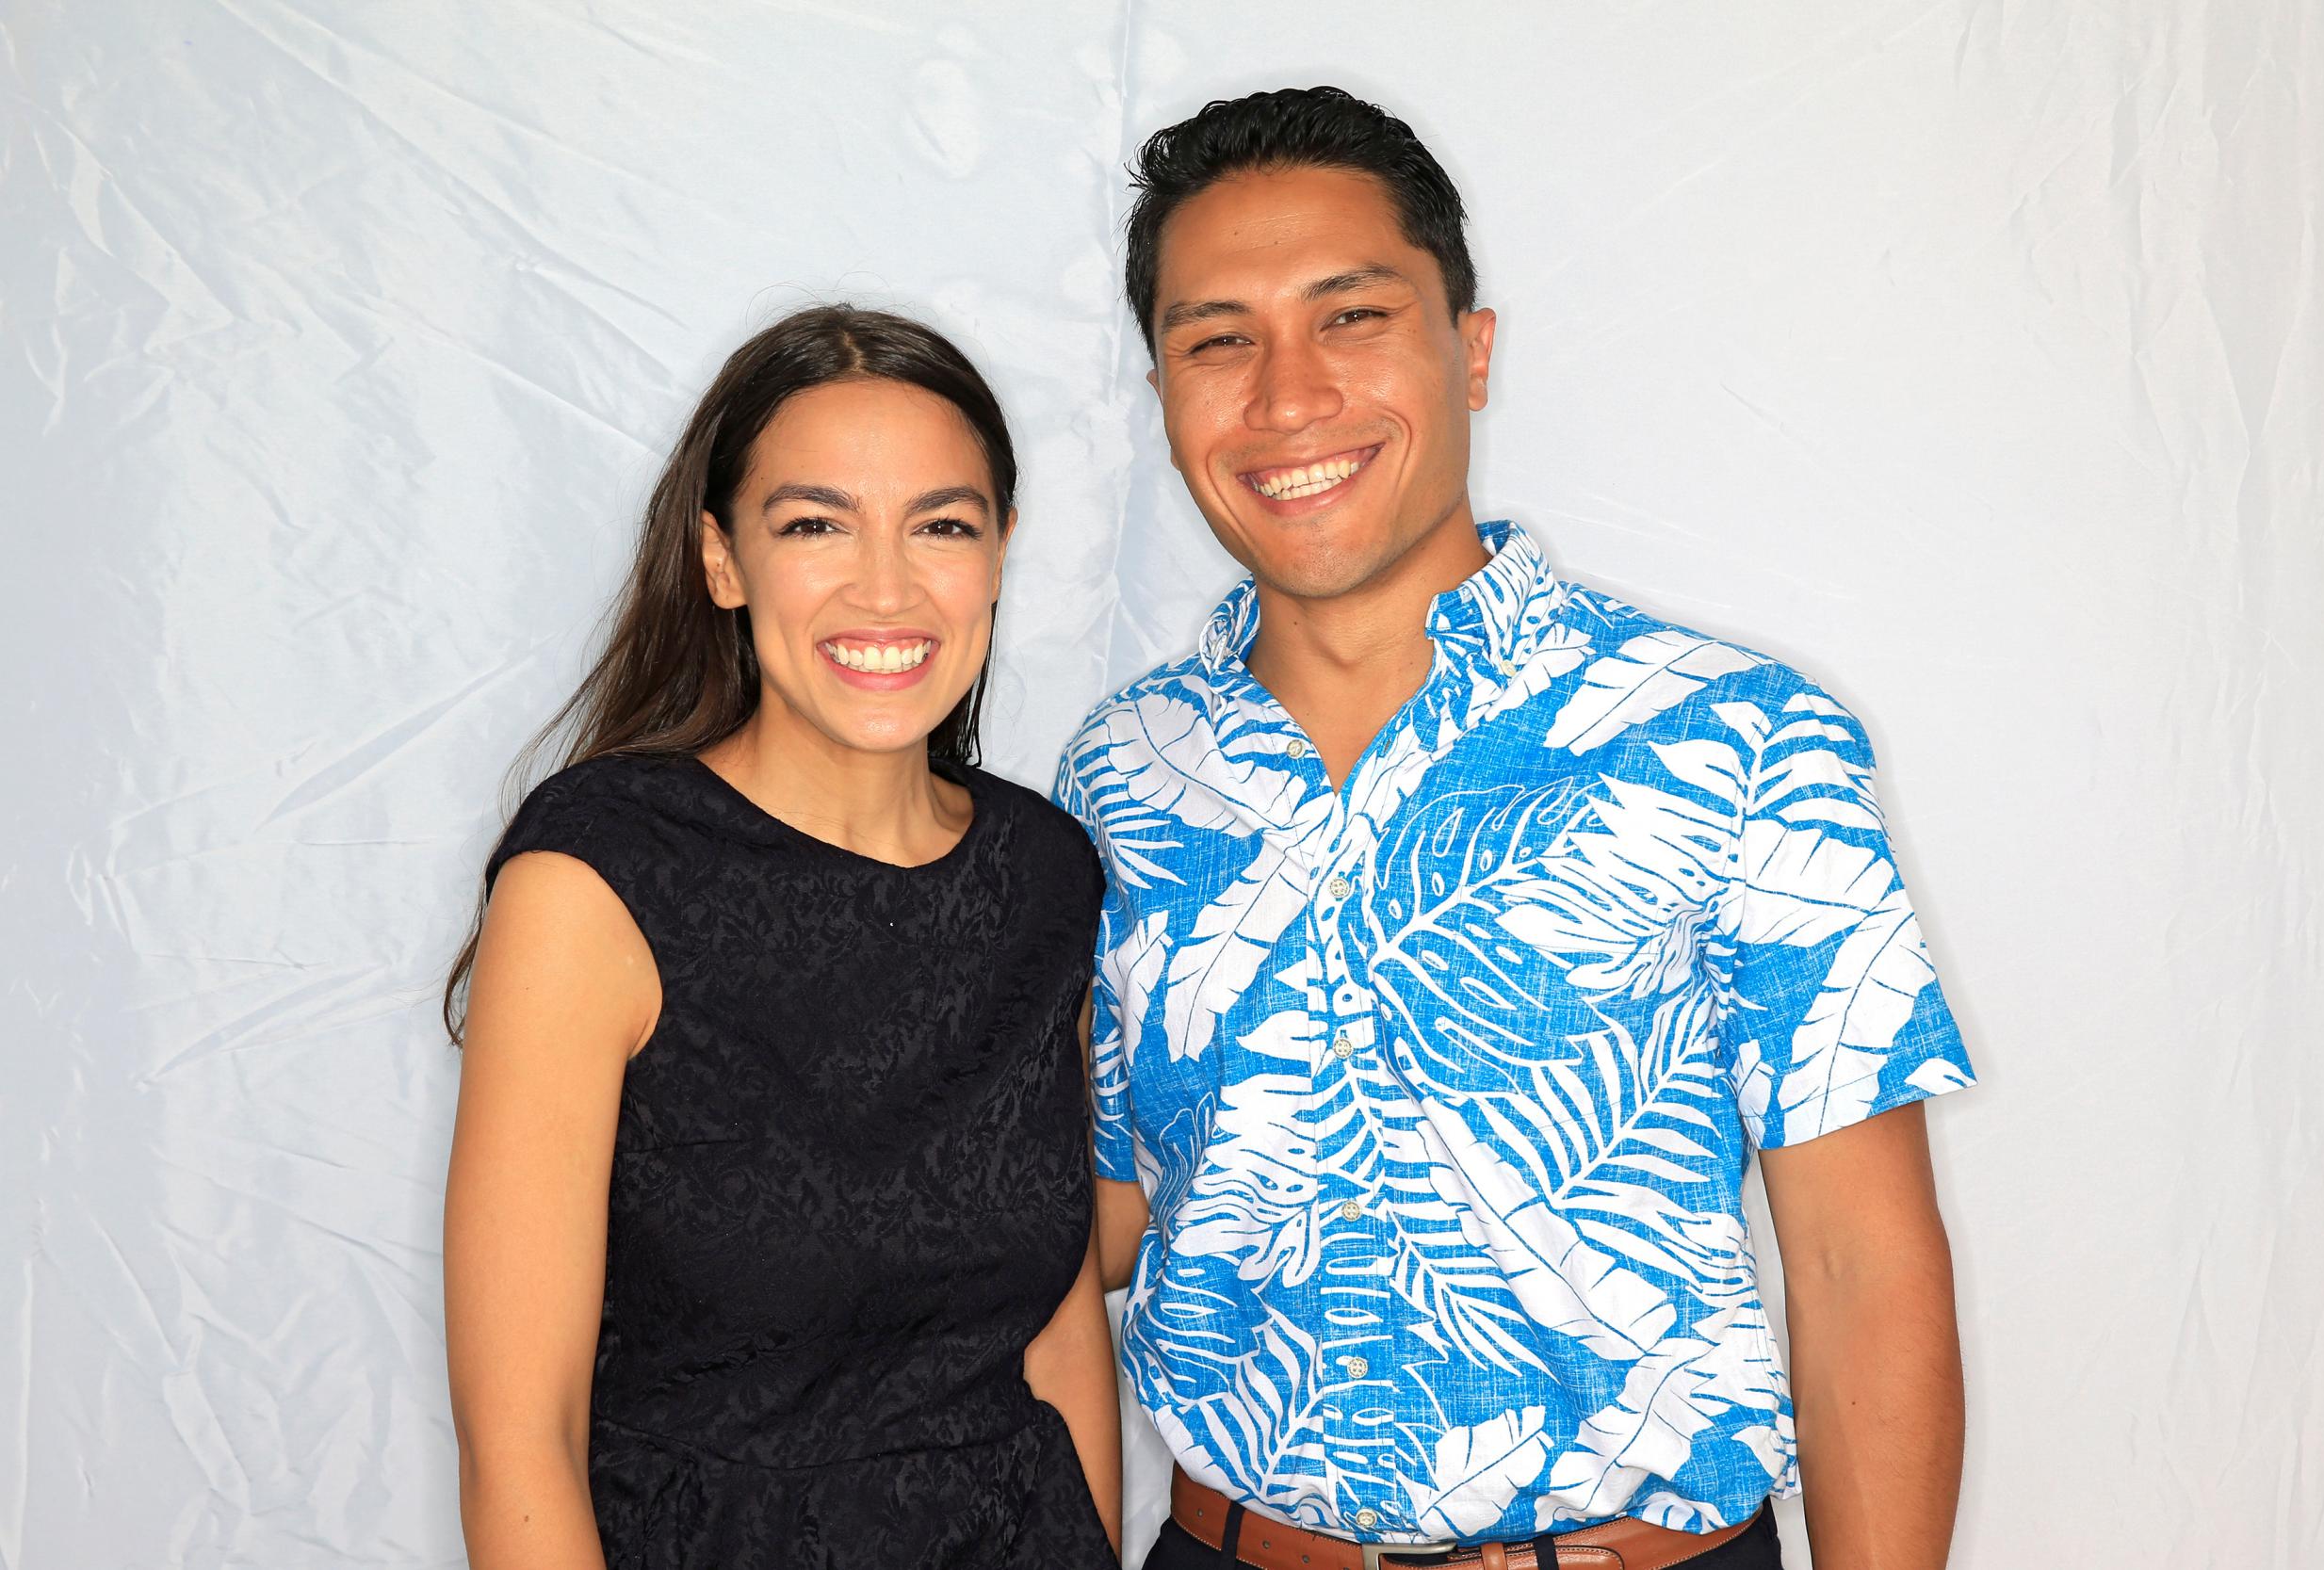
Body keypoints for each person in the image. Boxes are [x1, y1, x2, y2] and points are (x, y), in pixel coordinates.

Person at [1057, 89, 1976, 1570]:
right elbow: (1088, 1218)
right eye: (1217, 338)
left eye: (1350, 316)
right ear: (1164, 391)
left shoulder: (1731, 735)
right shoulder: (1117, 777)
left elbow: (1861, 1263)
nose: (1286, 397)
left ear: (1468, 353)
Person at [441, 305, 1121, 1570]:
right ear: (721, 558)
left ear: (1000, 551)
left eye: (943, 525)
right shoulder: (598, 876)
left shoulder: (1044, 874)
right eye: (815, 525)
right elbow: (516, 1440)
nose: (886, 587)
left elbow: (1054, 1321)